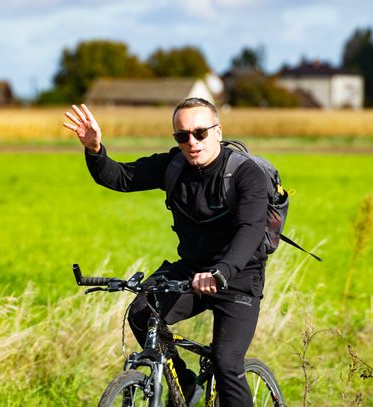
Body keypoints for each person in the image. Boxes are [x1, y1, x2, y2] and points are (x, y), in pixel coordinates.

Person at [64, 98, 270, 407]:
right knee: (142, 312)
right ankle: (183, 386)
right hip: (191, 270)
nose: (191, 142)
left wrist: (222, 272)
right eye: (182, 136)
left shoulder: (245, 173)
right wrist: (95, 150)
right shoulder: (173, 166)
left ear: (218, 131)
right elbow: (120, 177)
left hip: (238, 276)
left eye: (200, 133)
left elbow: (251, 229)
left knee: (226, 362)